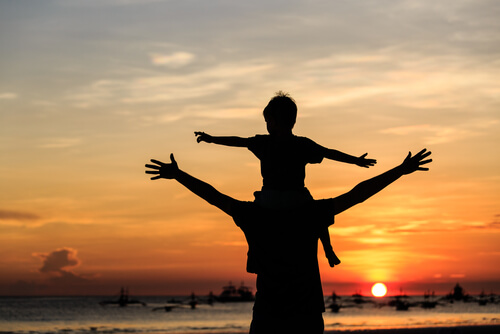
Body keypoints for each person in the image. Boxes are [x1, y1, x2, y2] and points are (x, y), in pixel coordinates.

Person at [145, 149, 432, 333]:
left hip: (269, 313)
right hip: (305, 313)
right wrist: (399, 170)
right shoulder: (311, 213)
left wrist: (179, 175)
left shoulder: (253, 214)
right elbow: (358, 193)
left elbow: (214, 196)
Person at [194, 91, 377, 267]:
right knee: (318, 214)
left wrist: (212, 139)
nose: (266, 125)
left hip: (269, 199)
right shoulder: (302, 144)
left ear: (273, 121)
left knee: (251, 219)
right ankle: (328, 249)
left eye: (267, 121)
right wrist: (356, 161)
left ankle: (256, 252)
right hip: (297, 199)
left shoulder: (263, 142)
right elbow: (329, 153)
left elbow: (237, 141)